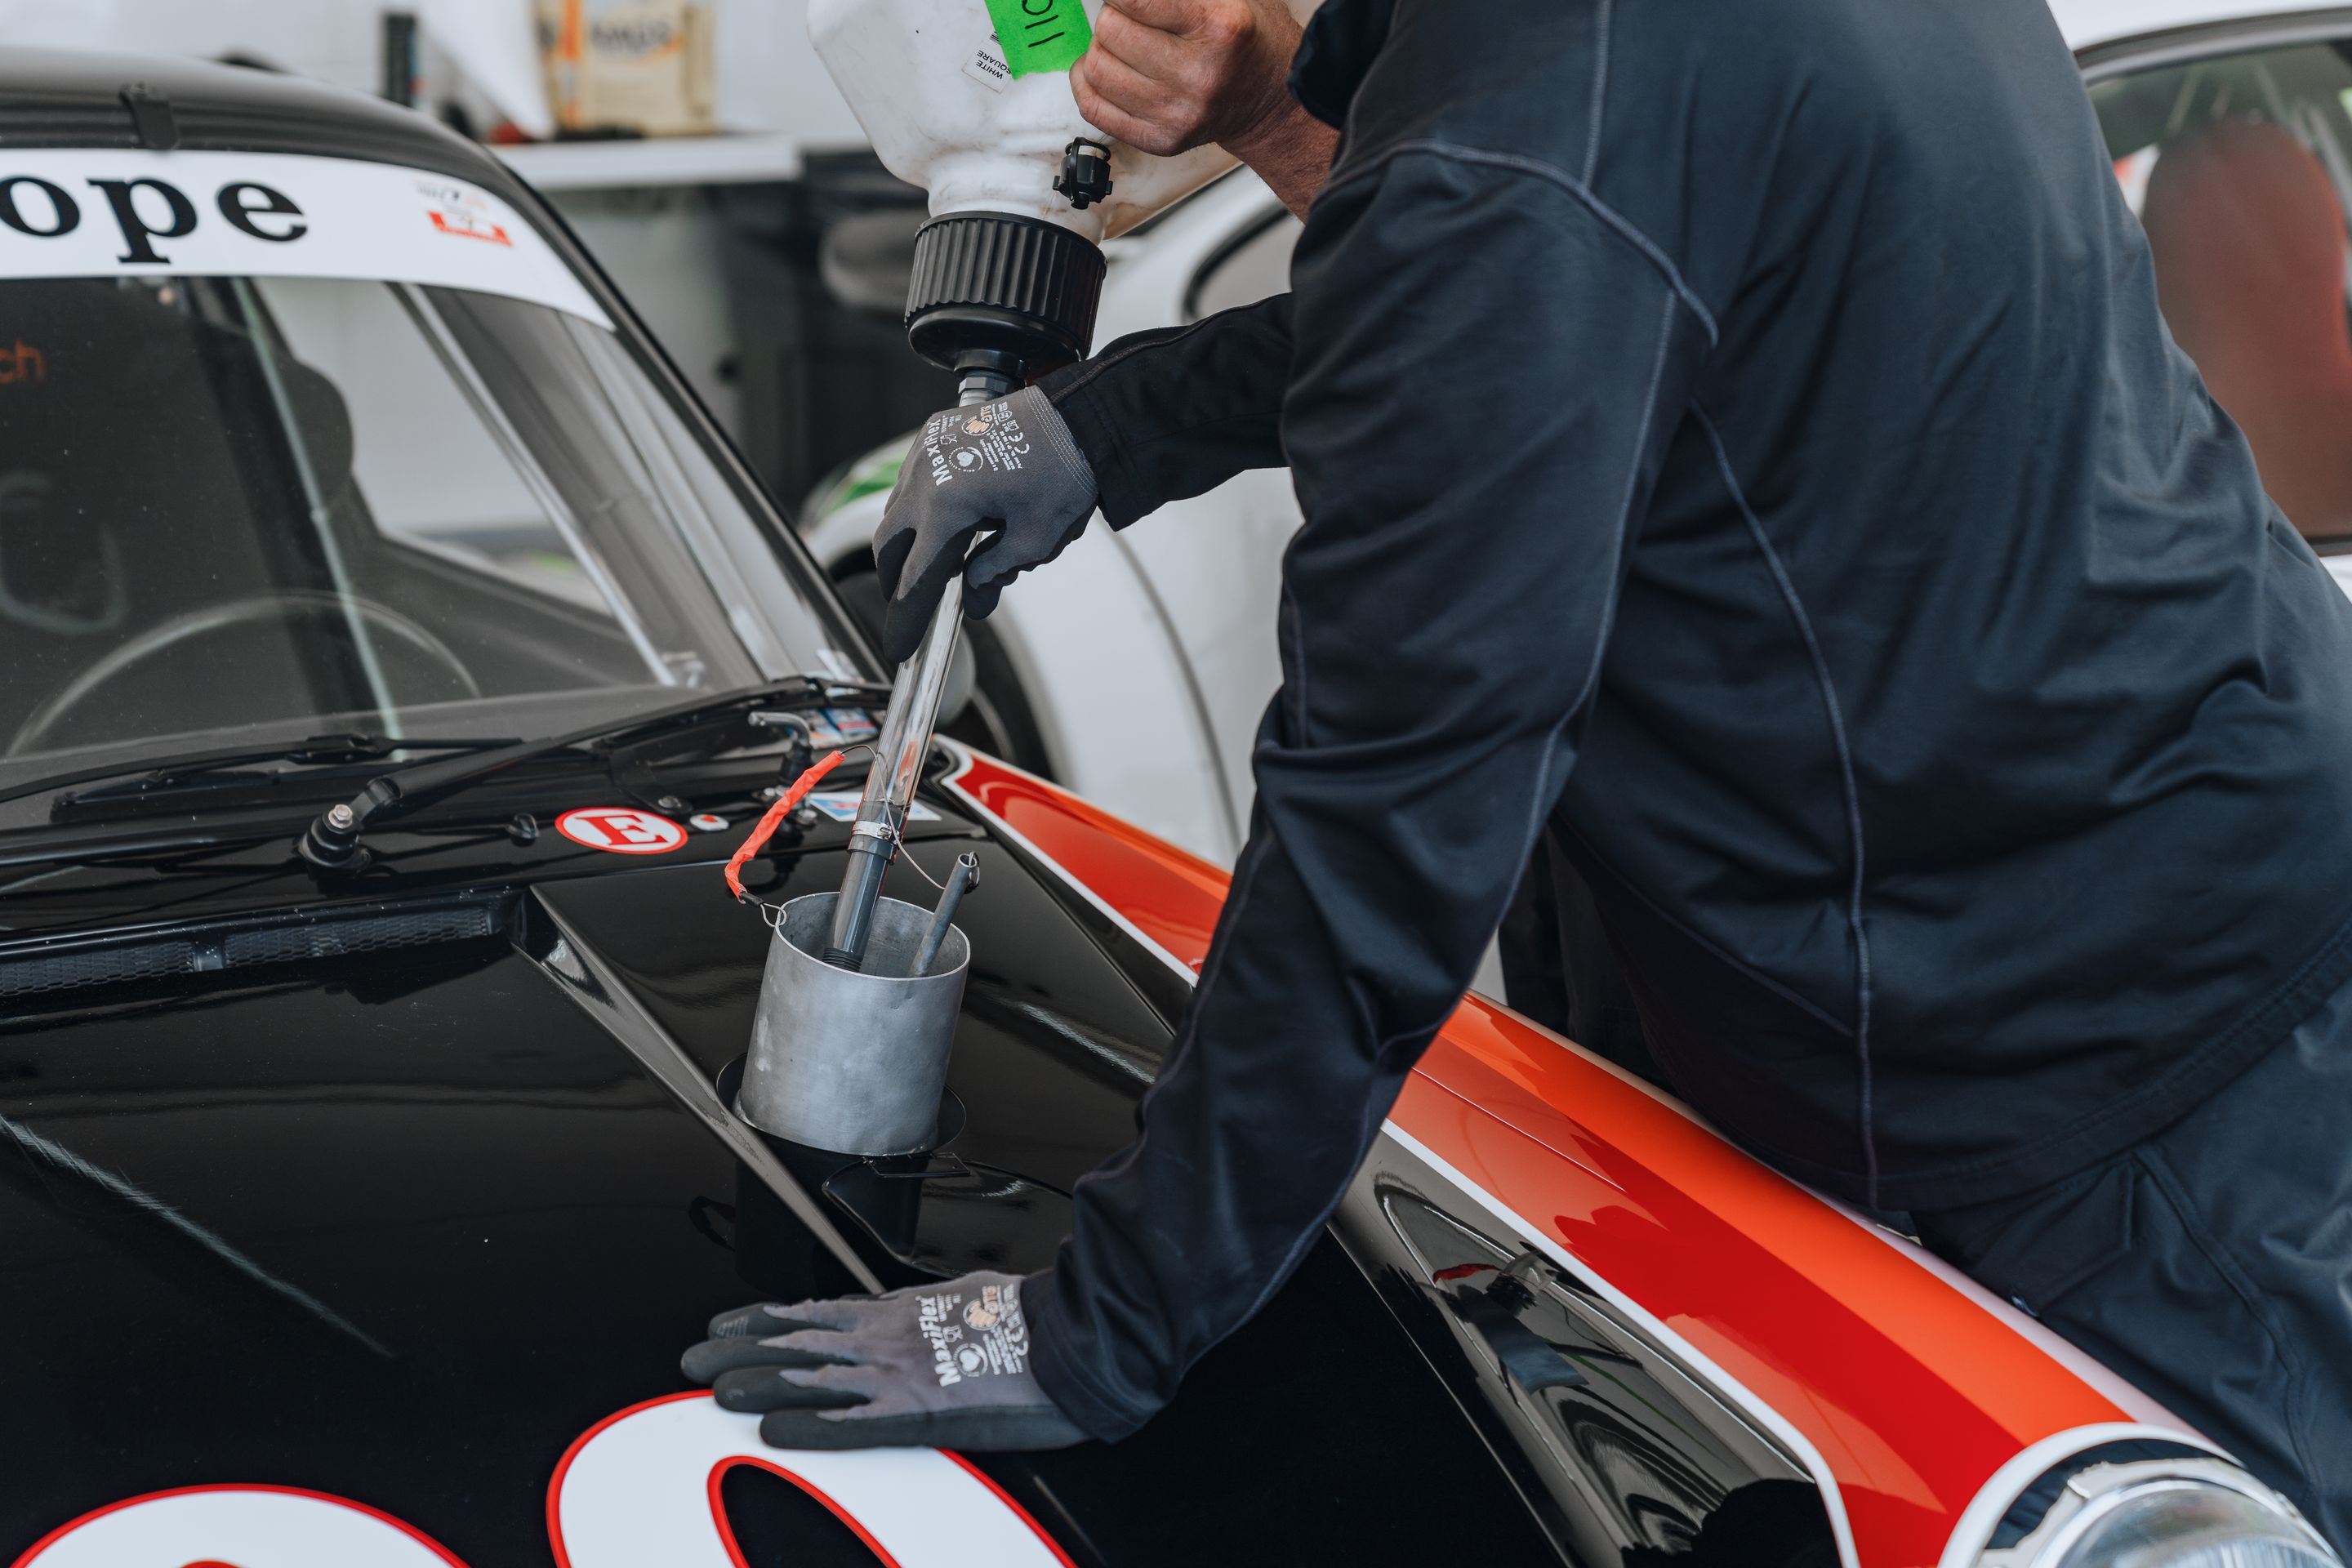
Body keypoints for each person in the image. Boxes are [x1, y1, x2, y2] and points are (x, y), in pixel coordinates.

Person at [683, 0, 2352, 1540]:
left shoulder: (1529, 129)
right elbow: (1571, 297)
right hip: (2200, 863)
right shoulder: (1552, 90)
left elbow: (1386, 817)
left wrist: (1099, 1324)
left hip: (2120, 1069)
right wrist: (1113, 421)